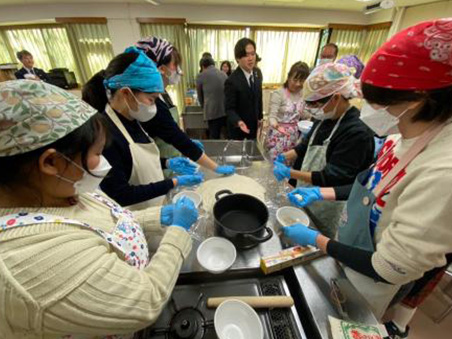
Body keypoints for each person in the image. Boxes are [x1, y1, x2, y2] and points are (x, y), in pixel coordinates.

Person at [281, 19, 452, 337]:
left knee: (350, 319)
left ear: (417, 99)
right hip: (344, 248)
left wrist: (318, 241)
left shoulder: (443, 173)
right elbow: (371, 189)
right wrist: (322, 194)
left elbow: (388, 267)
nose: (372, 110)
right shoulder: (403, 135)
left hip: (372, 273)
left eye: (380, 103)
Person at [0, 80, 199, 337]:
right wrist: (178, 230)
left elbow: (107, 223)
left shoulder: (59, 188)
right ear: (50, 162)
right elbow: (146, 300)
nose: (103, 162)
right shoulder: (31, 262)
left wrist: (157, 216)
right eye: (96, 153)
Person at [83, 47, 204, 210]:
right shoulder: (105, 134)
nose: (154, 107)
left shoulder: (133, 118)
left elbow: (134, 164)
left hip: (154, 206)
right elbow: (121, 194)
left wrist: (167, 162)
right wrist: (174, 182)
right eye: (151, 99)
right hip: (137, 217)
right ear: (126, 94)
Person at [273, 63, 374, 238]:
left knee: (321, 238)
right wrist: (286, 156)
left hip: (331, 204)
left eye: (316, 103)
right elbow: (305, 145)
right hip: (309, 195)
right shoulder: (325, 117)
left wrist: (291, 173)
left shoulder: (357, 133)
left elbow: (331, 176)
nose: (313, 109)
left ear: (335, 98)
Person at [134, 36, 234, 175]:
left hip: (166, 160)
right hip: (156, 166)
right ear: (161, 68)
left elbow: (171, 130)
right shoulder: (148, 101)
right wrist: (216, 167)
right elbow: (173, 135)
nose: (178, 70)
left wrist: (187, 140)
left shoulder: (162, 94)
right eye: (175, 65)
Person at [266, 61, 310, 160]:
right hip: (278, 135)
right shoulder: (279, 93)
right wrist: (277, 126)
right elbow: (272, 116)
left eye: (301, 80)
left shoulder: (303, 94)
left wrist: (314, 113)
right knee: (275, 163)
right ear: (289, 76)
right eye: (295, 79)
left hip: (294, 136)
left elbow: (304, 114)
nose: (298, 84)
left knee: (289, 163)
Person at [224, 38, 263, 140]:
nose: (250, 58)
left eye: (253, 54)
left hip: (254, 128)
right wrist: (239, 122)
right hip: (239, 131)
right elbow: (229, 109)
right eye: (246, 55)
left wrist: (260, 118)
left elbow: (259, 98)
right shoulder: (231, 81)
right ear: (237, 58)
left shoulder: (257, 73)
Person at [196, 56, 228, 139]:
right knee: (226, 137)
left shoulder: (200, 76)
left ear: (202, 66)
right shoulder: (223, 74)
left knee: (214, 138)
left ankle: (215, 151)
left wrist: (204, 107)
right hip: (225, 111)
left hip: (212, 112)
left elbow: (200, 97)